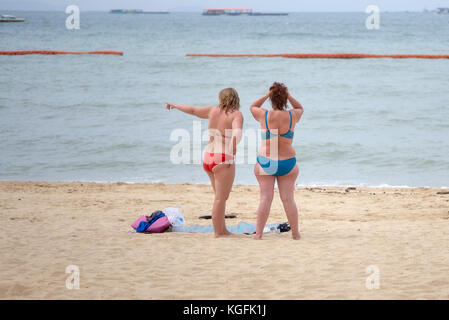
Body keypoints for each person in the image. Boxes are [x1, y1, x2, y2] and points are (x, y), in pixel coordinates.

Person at [166, 88, 243, 237]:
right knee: (221, 199)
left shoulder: (212, 111)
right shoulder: (236, 115)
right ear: (236, 99)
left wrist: (175, 105)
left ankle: (222, 229)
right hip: (222, 157)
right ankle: (218, 233)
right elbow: (237, 133)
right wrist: (232, 147)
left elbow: (193, 110)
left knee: (219, 198)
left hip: (208, 157)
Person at [250, 82, 304, 240]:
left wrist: (267, 94)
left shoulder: (264, 115)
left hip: (266, 162)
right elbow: (300, 107)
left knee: (265, 199)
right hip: (287, 163)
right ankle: (295, 234)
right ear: (285, 99)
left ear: (271, 99)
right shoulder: (293, 115)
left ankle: (258, 234)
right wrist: (289, 96)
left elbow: (253, 106)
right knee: (288, 199)